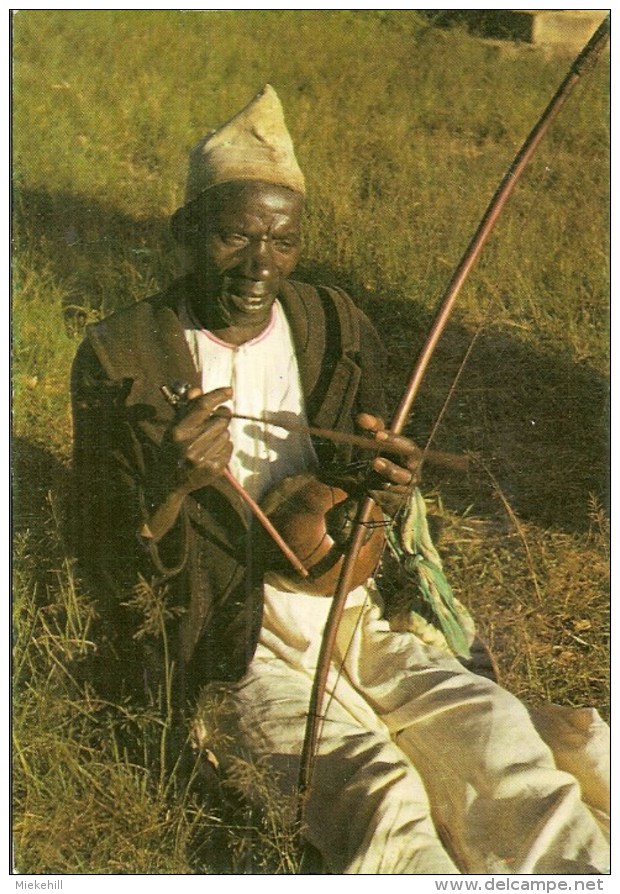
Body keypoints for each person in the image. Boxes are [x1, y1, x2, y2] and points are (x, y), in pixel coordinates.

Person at [71, 85, 610, 875]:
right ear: (186, 232)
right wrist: (173, 485)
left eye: (282, 243)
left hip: (352, 608)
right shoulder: (123, 353)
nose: (261, 266)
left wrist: (389, 481)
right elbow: (102, 548)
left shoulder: (330, 321)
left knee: (498, 742)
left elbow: (366, 472)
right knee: (379, 793)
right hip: (231, 633)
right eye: (233, 238)